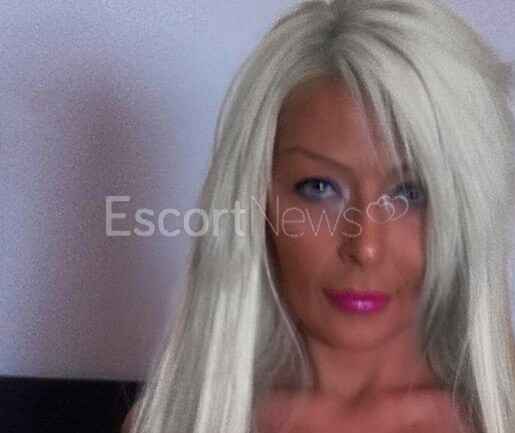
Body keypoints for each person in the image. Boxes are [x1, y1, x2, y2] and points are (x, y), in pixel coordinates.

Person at [122, 1, 515, 432]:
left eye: (410, 194)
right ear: (256, 199)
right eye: (319, 188)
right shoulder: (183, 420)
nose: (365, 245)